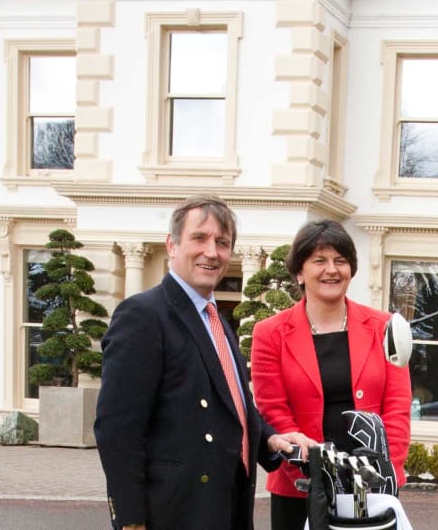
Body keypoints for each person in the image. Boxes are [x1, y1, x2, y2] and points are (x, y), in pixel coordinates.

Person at [94, 195, 299, 530]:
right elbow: (117, 429)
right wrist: (131, 520)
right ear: (172, 245)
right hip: (174, 514)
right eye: (199, 238)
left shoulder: (215, 319)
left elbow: (232, 405)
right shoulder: (143, 315)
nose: (212, 252)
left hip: (226, 506)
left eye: (222, 242)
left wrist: (270, 440)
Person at [250, 219, 412, 529]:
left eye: (341, 261)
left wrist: (385, 471)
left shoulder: (384, 327)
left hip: (371, 483)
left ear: (351, 269)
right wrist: (308, 461)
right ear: (299, 271)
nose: (332, 270)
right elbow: (273, 409)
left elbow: (397, 406)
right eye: (319, 260)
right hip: (300, 484)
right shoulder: (269, 333)